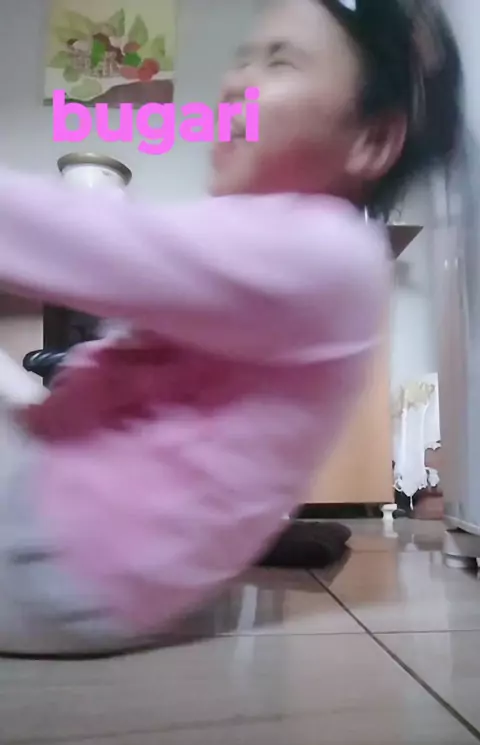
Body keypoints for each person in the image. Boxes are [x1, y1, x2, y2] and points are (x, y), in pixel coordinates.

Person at [0, 0, 462, 656]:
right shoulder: (305, 248)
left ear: (371, 140)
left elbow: (94, 241)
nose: (236, 80)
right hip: (77, 546)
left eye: (280, 61)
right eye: (243, 57)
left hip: (59, 559)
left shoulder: (324, 249)